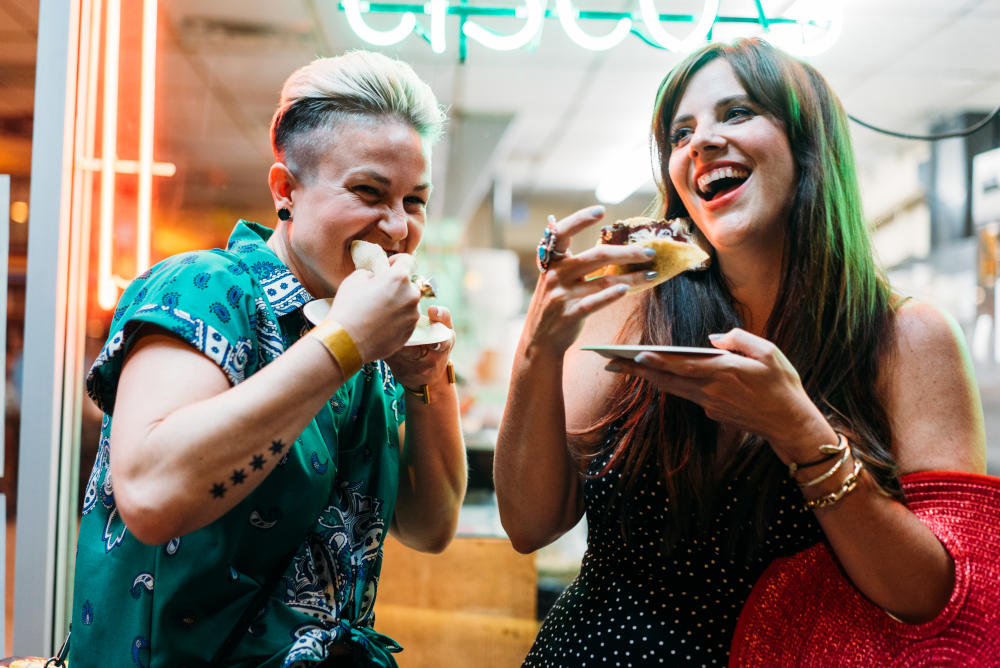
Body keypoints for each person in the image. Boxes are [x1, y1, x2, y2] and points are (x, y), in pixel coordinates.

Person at [493, 37, 986, 666]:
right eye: (680, 133)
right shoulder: (630, 310)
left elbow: (936, 601)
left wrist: (799, 431)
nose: (699, 142)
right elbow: (530, 526)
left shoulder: (907, 337)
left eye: (737, 113)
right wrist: (538, 348)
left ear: (809, 146)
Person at [68, 50, 466, 667]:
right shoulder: (204, 287)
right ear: (286, 189)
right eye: (368, 191)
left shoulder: (369, 331)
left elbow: (429, 528)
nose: (396, 227)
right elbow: (149, 495)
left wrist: (425, 380)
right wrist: (344, 344)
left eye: (415, 201)